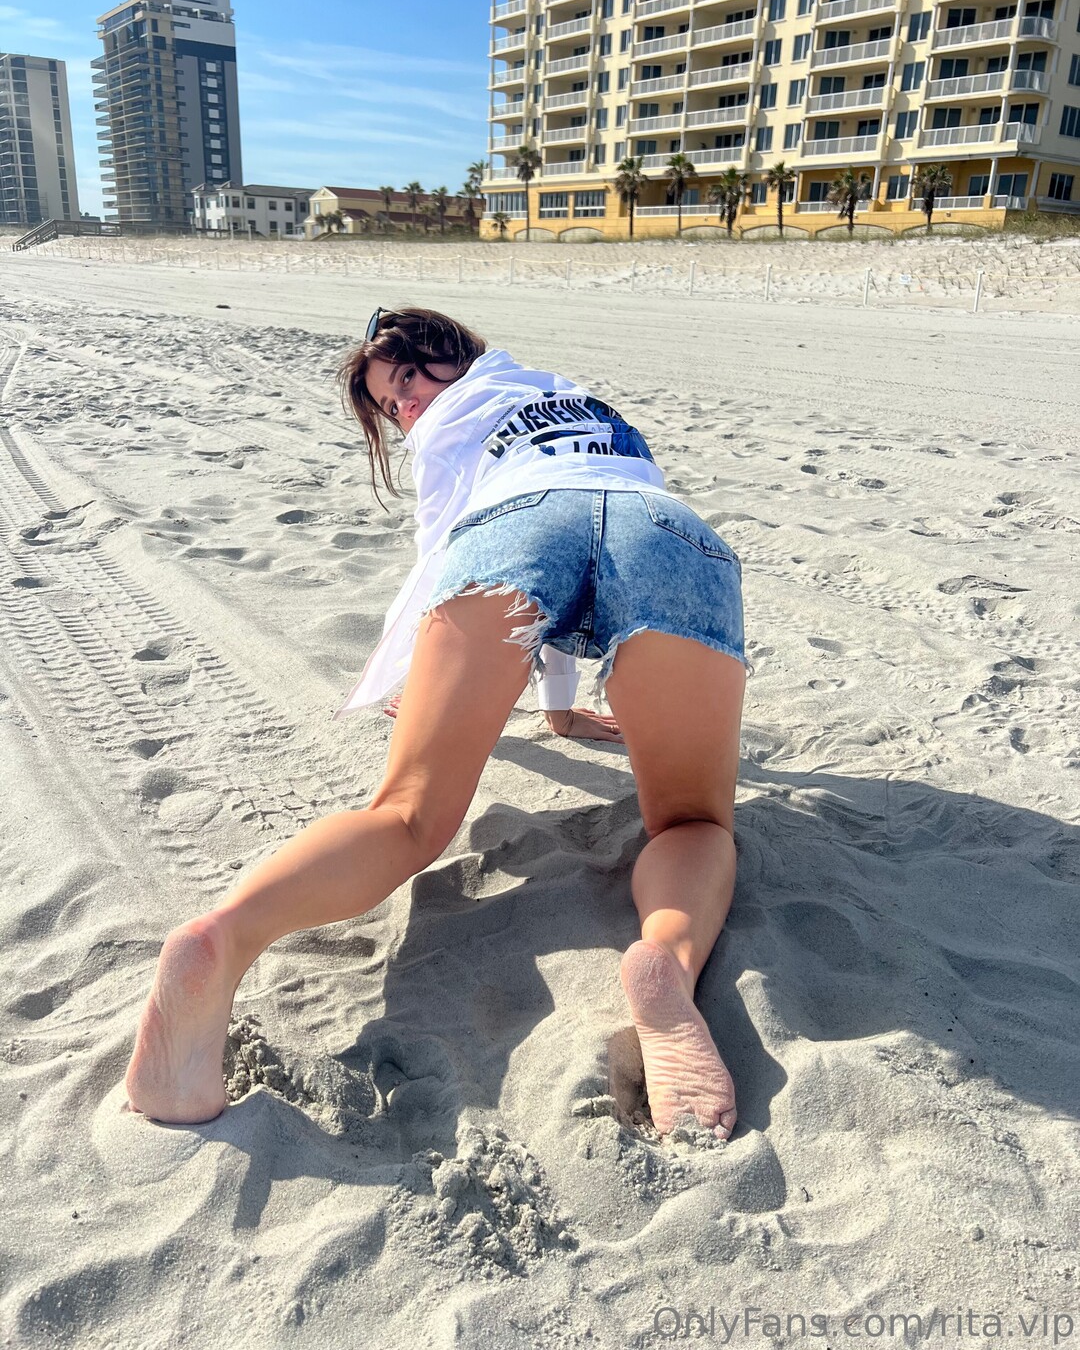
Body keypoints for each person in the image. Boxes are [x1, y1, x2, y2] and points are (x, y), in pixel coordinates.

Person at [124, 307, 747, 1140]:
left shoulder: (450, 428)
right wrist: (558, 711)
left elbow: (448, 552)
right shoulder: (571, 398)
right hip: (666, 531)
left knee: (408, 814)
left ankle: (223, 940)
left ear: (456, 355)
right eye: (391, 405)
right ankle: (665, 959)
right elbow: (594, 530)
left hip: (513, 527)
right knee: (693, 822)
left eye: (410, 379)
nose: (407, 407)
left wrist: (412, 669)